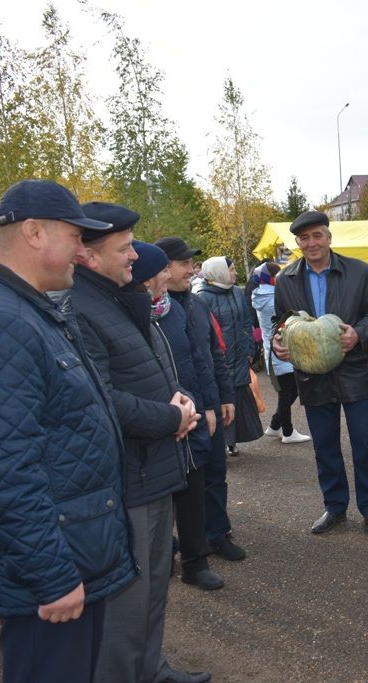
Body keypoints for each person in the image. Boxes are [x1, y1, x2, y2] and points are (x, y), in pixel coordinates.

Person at [0, 180, 134, 682]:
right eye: (74, 236)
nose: (82, 251)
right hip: (49, 580)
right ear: (32, 232)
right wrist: (51, 577)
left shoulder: (23, 307)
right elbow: (3, 473)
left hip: (68, 557)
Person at [73, 203, 207, 683]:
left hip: (155, 467)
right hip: (127, 475)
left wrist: (183, 403)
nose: (136, 255)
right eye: (125, 246)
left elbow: (155, 372)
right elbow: (100, 399)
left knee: (152, 590)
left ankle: (151, 669)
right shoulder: (79, 309)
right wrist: (170, 416)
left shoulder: (118, 299)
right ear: (88, 255)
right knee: (125, 606)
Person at [271, 211, 368, 535]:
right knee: (325, 445)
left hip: (353, 370)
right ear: (298, 243)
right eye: (305, 238)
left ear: (329, 237)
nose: (312, 243)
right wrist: (278, 341)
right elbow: (280, 321)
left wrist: (360, 334)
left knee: (365, 442)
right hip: (311, 374)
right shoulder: (286, 279)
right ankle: (335, 507)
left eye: (317, 236)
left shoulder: (359, 272)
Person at [133, 241, 225, 593]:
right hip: (155, 419)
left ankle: (195, 561)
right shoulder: (132, 313)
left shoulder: (178, 309)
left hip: (192, 413)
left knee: (193, 488)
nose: (191, 269)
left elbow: (201, 358)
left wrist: (210, 405)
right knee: (159, 495)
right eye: (182, 263)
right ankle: (163, 558)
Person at [155, 237, 245, 566]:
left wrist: (224, 397)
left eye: (191, 264)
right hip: (178, 413)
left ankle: (218, 533)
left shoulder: (197, 304)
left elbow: (213, 354)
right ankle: (182, 545)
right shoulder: (155, 309)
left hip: (209, 406)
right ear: (163, 268)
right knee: (180, 484)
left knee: (214, 473)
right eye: (184, 264)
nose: (191, 270)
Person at [195, 256, 261, 457]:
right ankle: (222, 441)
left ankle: (233, 441)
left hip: (240, 356)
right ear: (219, 272)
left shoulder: (236, 293)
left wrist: (250, 348)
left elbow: (245, 322)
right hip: (220, 359)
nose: (235, 273)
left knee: (238, 397)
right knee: (222, 396)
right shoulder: (202, 297)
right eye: (231, 270)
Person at [250, 261, 310, 444]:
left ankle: (276, 426)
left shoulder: (259, 294)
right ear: (272, 277)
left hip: (273, 350)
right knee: (289, 391)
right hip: (282, 349)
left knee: (289, 390)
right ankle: (287, 430)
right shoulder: (273, 296)